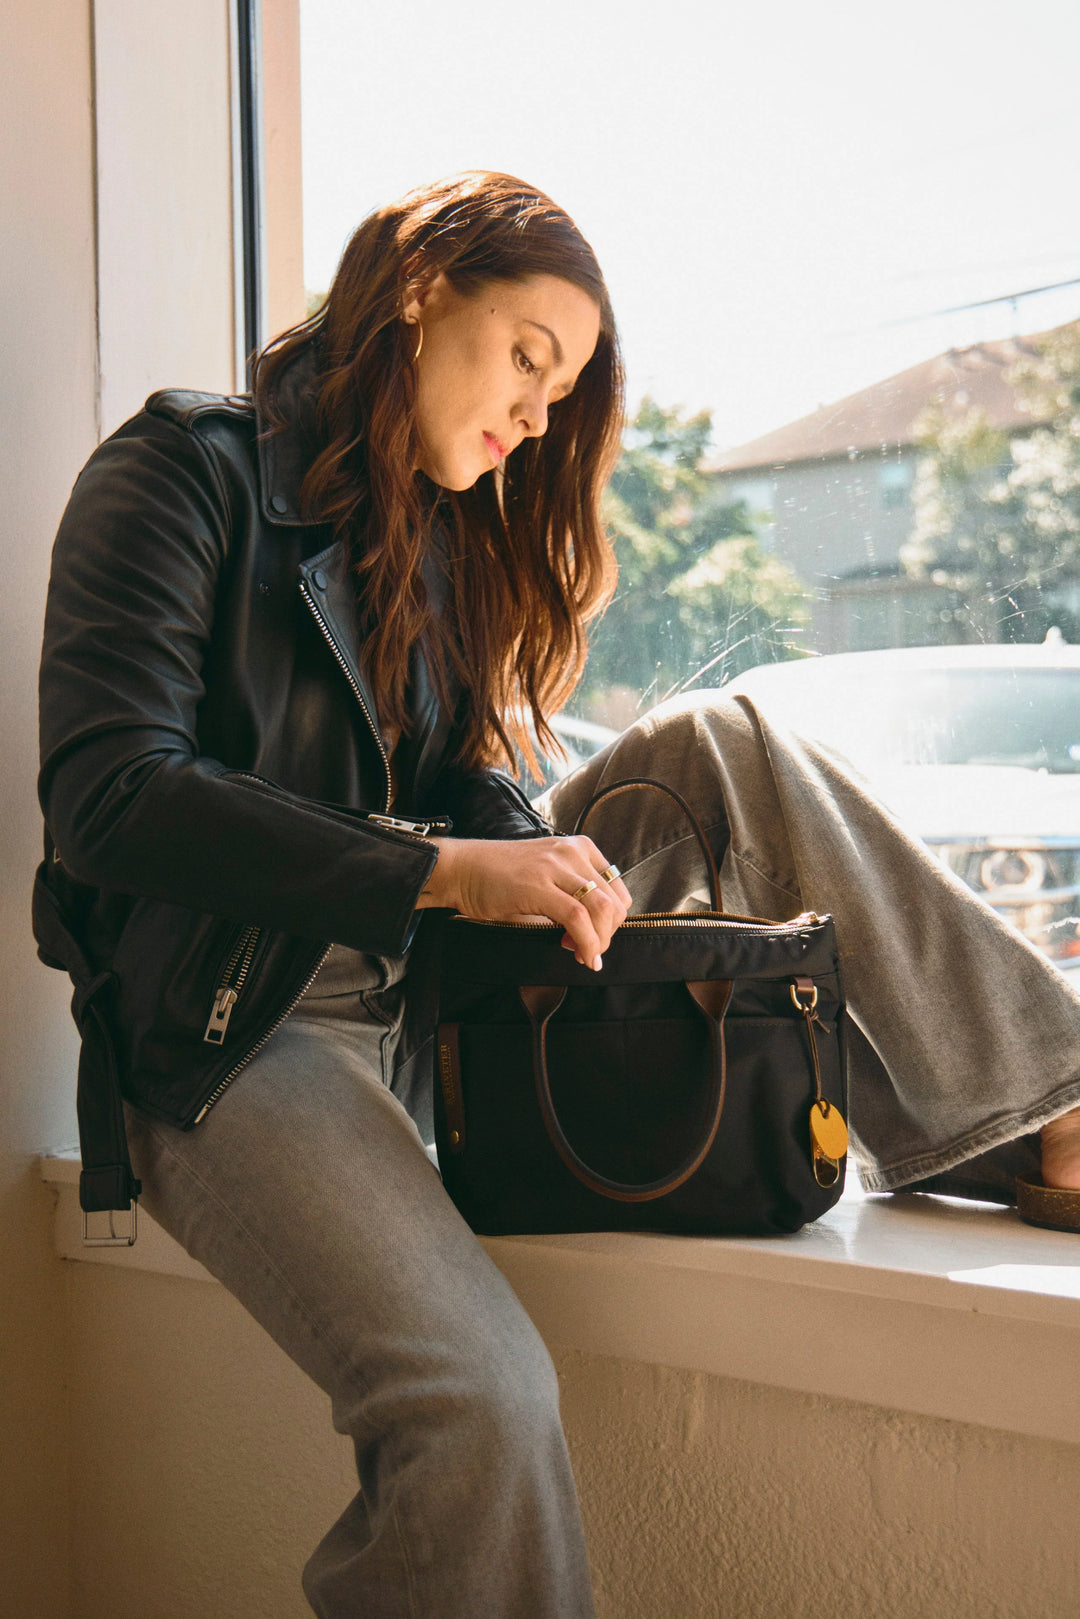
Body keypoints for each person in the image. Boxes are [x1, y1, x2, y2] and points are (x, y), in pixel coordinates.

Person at [35, 170, 1080, 1619]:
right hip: (243, 1030)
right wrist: (452, 872)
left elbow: (464, 784)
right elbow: (109, 798)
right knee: (479, 1401)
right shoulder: (180, 474)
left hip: (441, 985)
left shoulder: (435, 536)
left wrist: (531, 852)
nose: (538, 418)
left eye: (563, 388)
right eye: (530, 356)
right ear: (417, 291)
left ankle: (1049, 1115)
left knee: (719, 743)